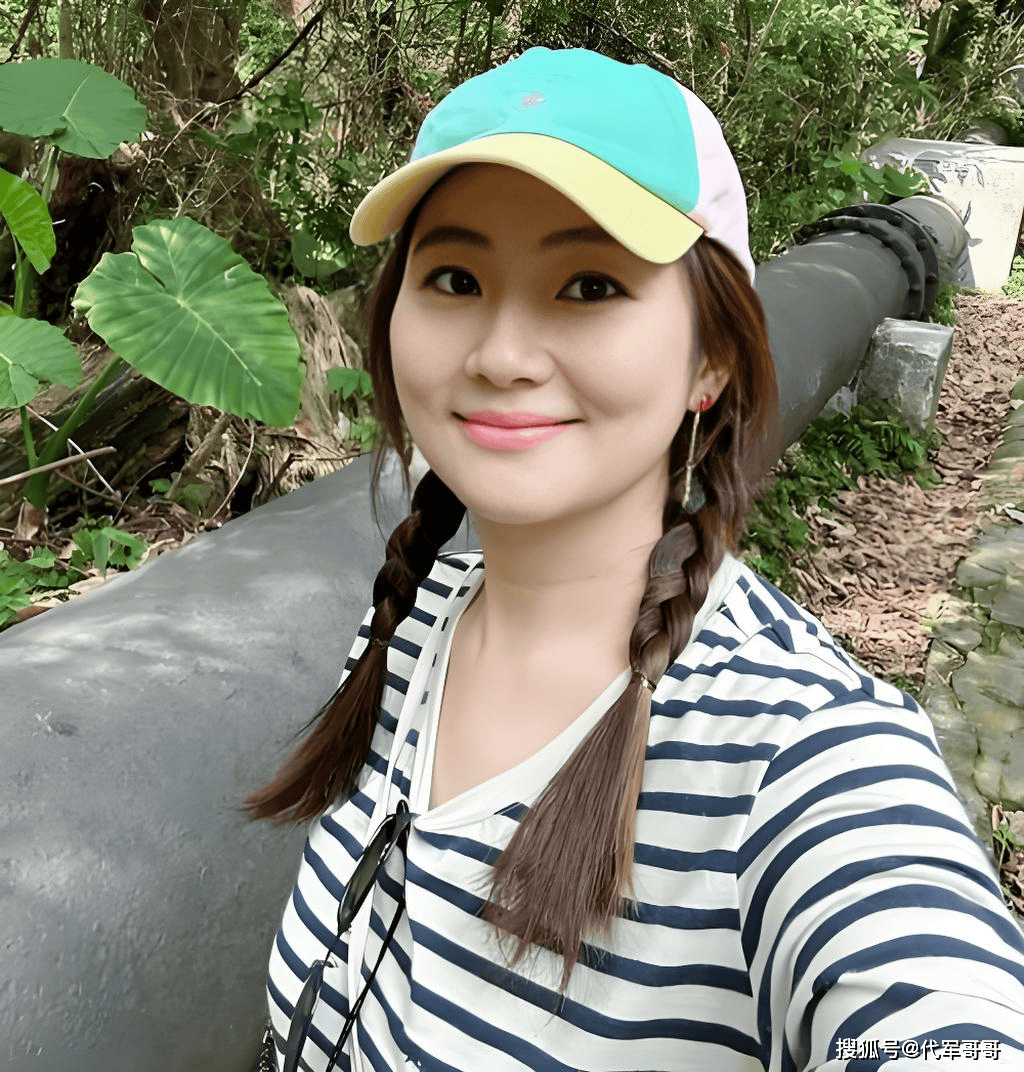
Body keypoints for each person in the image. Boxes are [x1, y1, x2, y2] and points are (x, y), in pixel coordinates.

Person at [247, 47, 1024, 1072]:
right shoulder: (414, 615)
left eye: (588, 285)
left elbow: (943, 1008)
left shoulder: (803, 754)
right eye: (454, 278)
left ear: (712, 357)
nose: (500, 355)